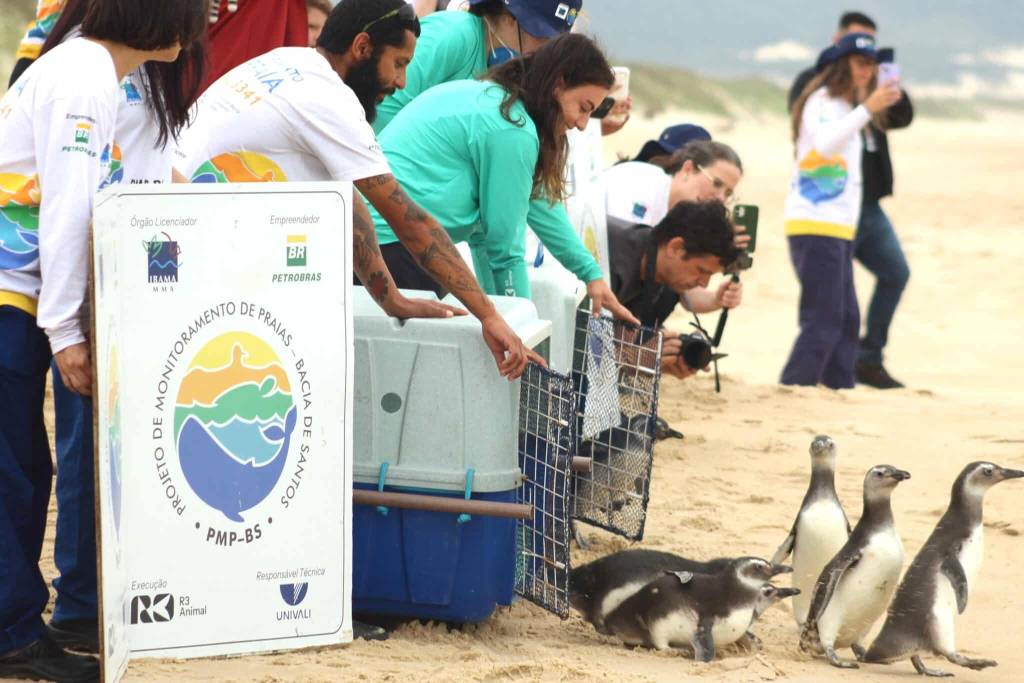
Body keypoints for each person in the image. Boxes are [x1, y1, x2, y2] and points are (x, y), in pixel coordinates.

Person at [0, 2, 207, 680]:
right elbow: (69, 208)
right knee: (13, 468)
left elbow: (132, 197)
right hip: (12, 287)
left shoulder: (113, 74)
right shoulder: (85, 76)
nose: (202, 21)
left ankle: (23, 625)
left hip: (27, 289)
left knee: (27, 466)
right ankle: (12, 633)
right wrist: (67, 328)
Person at [177, 0, 541, 379]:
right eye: (398, 64)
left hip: (191, 244)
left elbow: (350, 205)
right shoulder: (328, 99)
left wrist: (391, 298)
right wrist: (489, 316)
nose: (402, 82)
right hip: (197, 264)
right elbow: (410, 222)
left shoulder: (292, 62)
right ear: (362, 47)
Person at [367, 33, 636, 323]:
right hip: (395, 242)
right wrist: (523, 330)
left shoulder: (501, 103)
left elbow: (535, 204)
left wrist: (591, 274)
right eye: (583, 108)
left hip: (375, 233)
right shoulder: (512, 129)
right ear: (558, 84)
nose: (582, 124)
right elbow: (505, 251)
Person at [789, 12, 913, 389]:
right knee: (824, 320)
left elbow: (903, 115)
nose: (867, 69)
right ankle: (794, 388)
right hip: (816, 220)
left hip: (844, 221)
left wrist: (875, 100)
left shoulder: (852, 106)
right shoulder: (821, 99)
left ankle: (840, 386)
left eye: (872, 62)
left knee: (846, 317)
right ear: (840, 60)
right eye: (860, 62)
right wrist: (867, 108)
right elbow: (825, 145)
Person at [371, 0, 584, 134]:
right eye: (543, 37)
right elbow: (381, 110)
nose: (546, 51)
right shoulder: (452, 34)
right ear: (510, 17)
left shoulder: (513, 75)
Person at [604, 139, 745, 320]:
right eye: (716, 183)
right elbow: (618, 255)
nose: (720, 198)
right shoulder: (640, 184)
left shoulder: (685, 223)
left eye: (728, 193)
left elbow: (681, 279)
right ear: (688, 169)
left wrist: (716, 299)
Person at [606, 201, 740, 381]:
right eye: (701, 270)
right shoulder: (610, 262)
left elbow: (617, 344)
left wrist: (659, 361)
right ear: (675, 248)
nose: (704, 283)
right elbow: (575, 351)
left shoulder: (663, 280)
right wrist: (629, 360)